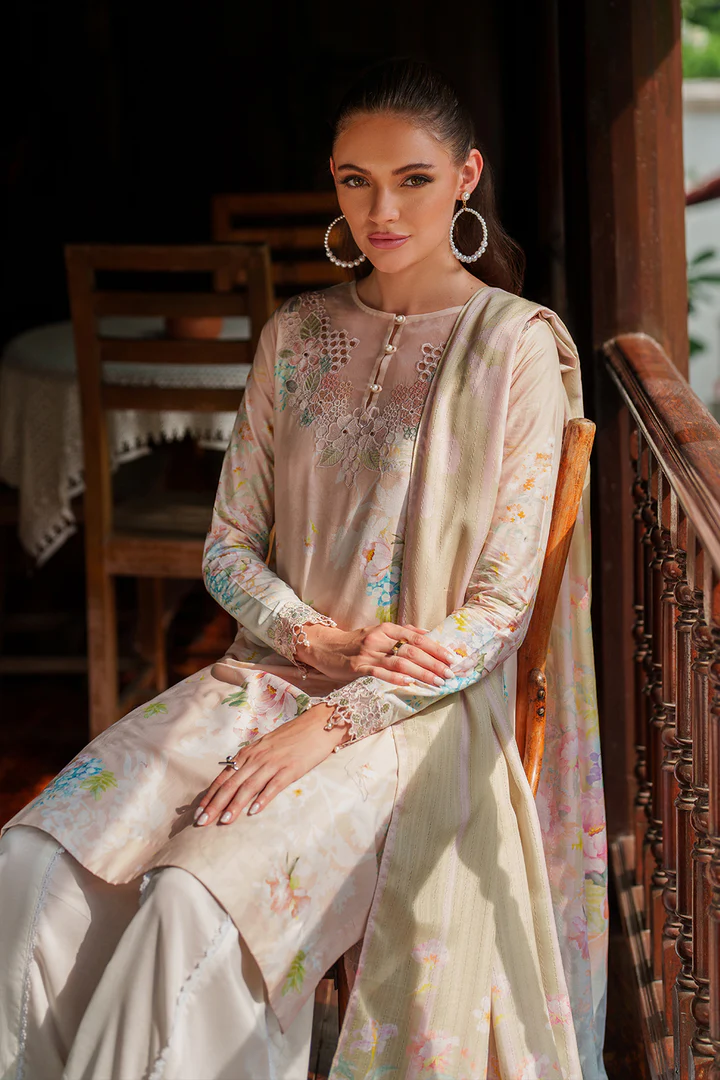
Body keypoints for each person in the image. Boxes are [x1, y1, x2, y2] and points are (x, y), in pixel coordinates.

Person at [0, 59, 608, 1080]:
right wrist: (316, 642)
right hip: (273, 671)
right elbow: (227, 547)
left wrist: (336, 718)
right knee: (31, 864)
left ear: (466, 177)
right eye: (355, 180)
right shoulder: (295, 334)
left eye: (412, 179)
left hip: (419, 713)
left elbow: (500, 610)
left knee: (190, 903)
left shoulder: (515, 349)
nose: (382, 210)